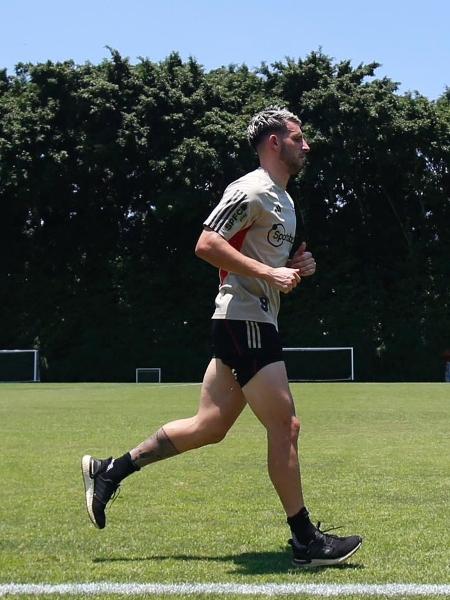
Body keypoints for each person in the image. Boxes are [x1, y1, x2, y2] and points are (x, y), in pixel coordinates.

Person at [81, 107, 362, 567]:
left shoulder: (284, 200)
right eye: (298, 137)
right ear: (274, 142)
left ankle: (110, 471)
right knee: (285, 425)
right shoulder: (249, 189)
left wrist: (295, 268)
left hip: (252, 320)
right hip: (243, 319)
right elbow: (207, 243)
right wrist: (270, 271)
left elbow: (267, 260)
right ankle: (306, 542)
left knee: (208, 426)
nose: (306, 145)